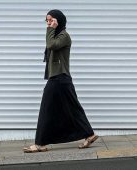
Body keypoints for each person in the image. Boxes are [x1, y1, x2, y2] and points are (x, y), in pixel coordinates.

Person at [22, 9, 98, 153]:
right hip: (60, 79)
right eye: (47, 21)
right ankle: (90, 135)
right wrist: (51, 29)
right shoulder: (57, 35)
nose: (48, 23)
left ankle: (40, 144)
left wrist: (50, 29)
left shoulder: (64, 36)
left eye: (51, 20)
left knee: (46, 109)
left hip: (59, 78)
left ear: (59, 20)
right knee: (73, 109)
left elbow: (52, 45)